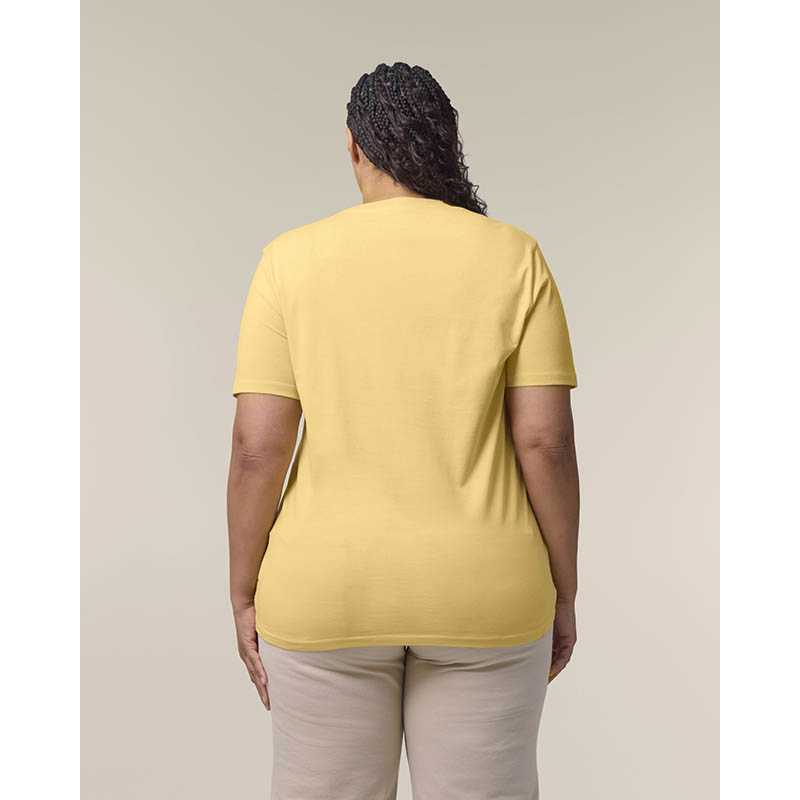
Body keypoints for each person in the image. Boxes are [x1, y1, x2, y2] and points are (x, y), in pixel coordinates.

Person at [227, 62, 579, 800]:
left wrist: (243, 592)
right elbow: (544, 443)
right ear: (446, 142)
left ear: (354, 146)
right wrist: (564, 589)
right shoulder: (515, 257)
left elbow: (258, 448)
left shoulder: (288, 261)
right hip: (486, 588)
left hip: (324, 590)